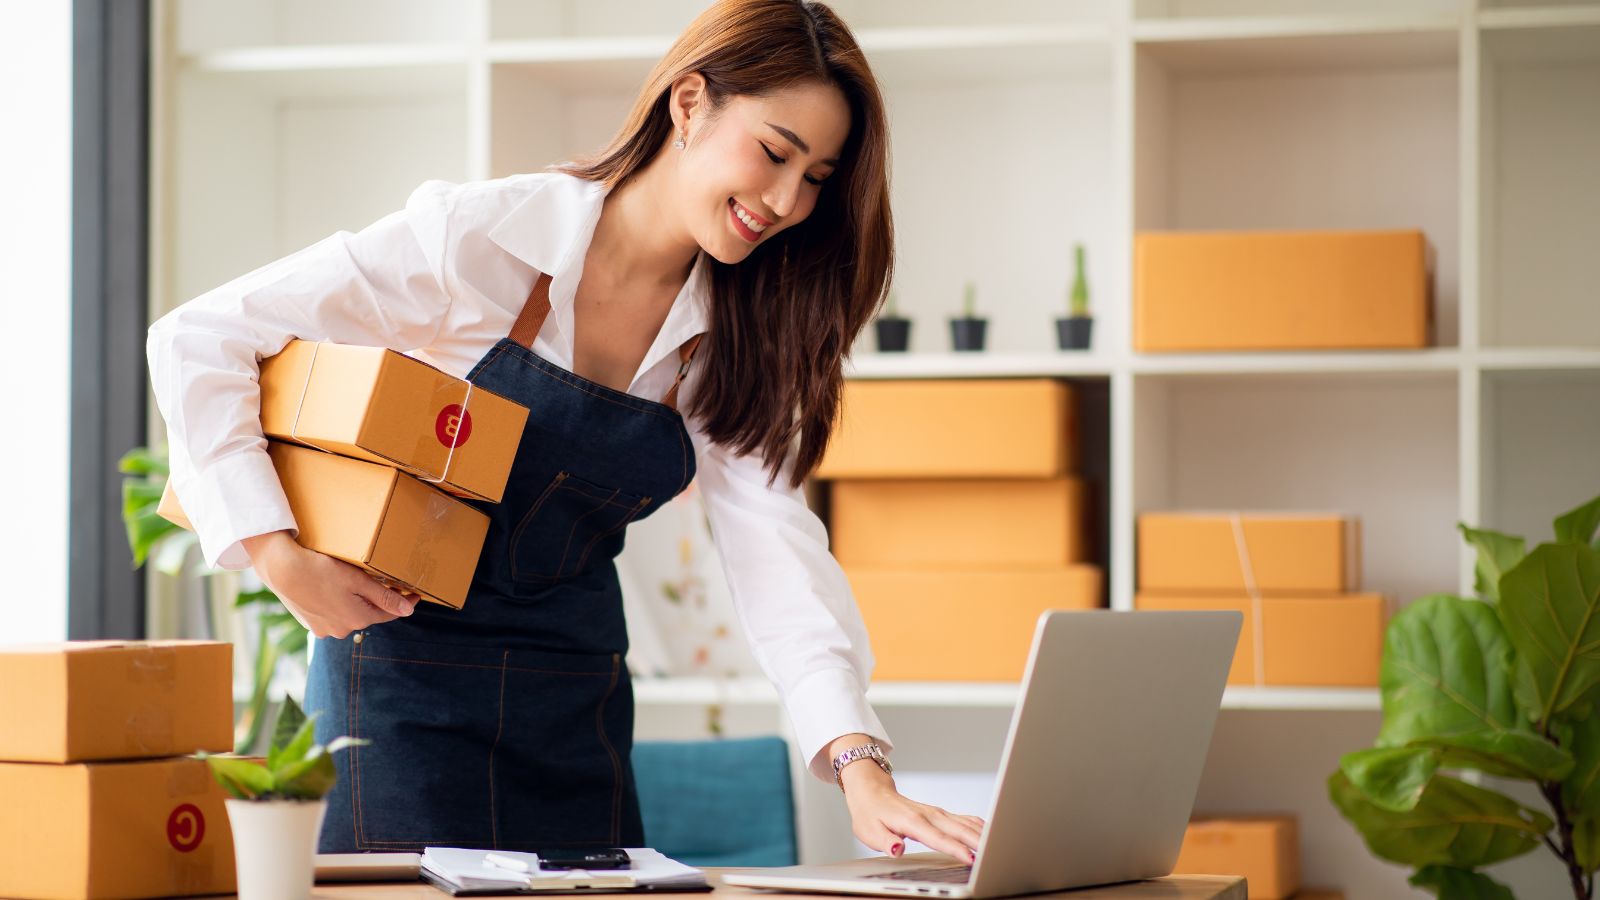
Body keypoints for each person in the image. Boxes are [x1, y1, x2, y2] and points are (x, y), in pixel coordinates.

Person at [148, 0, 984, 862]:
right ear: (688, 104)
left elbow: (774, 550)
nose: (784, 199)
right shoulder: (483, 240)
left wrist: (861, 767)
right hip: (401, 696)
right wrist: (275, 553)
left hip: (574, 704)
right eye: (775, 152)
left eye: (816, 178)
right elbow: (198, 337)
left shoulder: (734, 331)